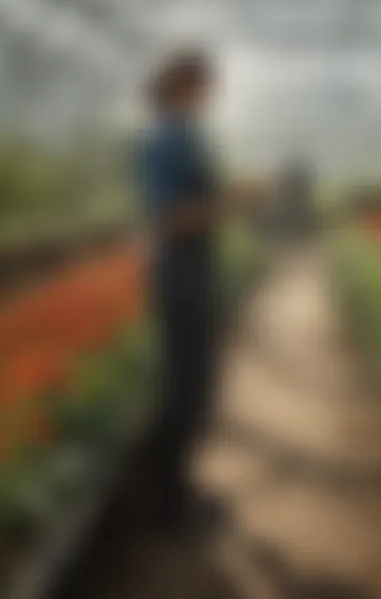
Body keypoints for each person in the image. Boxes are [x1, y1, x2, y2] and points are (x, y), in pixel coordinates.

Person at [138, 48, 253, 528]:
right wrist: (233, 202)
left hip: (191, 271)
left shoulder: (184, 135)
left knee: (193, 384)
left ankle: (175, 491)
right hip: (180, 273)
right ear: (182, 86)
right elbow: (172, 218)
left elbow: (192, 208)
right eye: (206, 84)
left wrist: (227, 202)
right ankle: (166, 504)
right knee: (187, 388)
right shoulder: (166, 140)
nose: (212, 93)